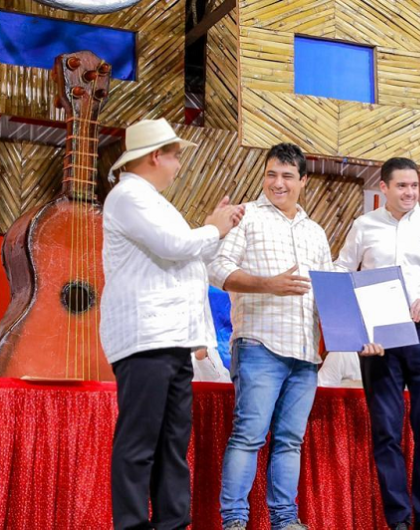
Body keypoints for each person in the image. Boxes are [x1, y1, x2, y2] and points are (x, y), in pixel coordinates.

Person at [100, 118, 243, 530]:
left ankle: (173, 523)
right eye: (176, 155)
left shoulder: (157, 203)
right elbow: (175, 247)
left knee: (172, 445)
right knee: (140, 442)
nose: (179, 164)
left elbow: (185, 261)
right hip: (147, 339)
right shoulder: (128, 195)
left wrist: (215, 228)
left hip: (173, 339)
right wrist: (214, 227)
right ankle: (132, 525)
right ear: (155, 156)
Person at [335, 157, 420, 530]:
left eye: (414, 186)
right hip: (379, 338)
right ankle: (398, 519)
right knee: (386, 432)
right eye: (402, 186)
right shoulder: (364, 226)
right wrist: (357, 333)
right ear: (384, 188)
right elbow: (343, 272)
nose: (410, 193)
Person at [208, 143, 333, 530]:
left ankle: (285, 520)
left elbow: (330, 293)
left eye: (287, 176)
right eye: (271, 174)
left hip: (306, 353)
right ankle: (234, 521)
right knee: (248, 436)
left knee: (290, 441)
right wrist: (268, 285)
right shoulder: (245, 217)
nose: (277, 183)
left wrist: (358, 334)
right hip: (260, 343)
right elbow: (217, 268)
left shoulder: (316, 232)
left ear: (303, 181)